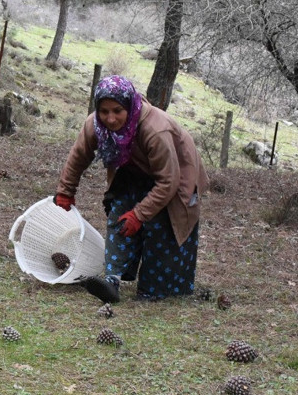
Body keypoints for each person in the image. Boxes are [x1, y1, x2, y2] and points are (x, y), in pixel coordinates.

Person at [53, 75, 207, 302]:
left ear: (129, 106)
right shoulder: (95, 124)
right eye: (104, 111)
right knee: (120, 220)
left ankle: (156, 289)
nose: (110, 118)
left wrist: (140, 214)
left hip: (177, 176)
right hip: (133, 172)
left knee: (161, 228)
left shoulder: (156, 130)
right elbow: (78, 156)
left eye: (117, 110)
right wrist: (66, 190)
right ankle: (112, 281)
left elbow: (168, 182)